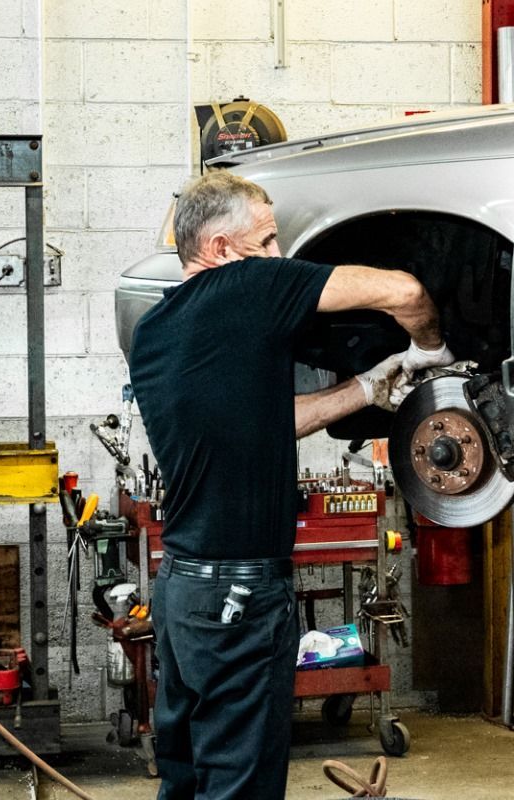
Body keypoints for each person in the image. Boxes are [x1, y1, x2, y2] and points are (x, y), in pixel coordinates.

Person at [129, 171, 454, 799]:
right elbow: (404, 289)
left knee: (187, 775)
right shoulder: (247, 284)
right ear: (222, 250)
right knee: (241, 787)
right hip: (240, 600)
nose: (281, 258)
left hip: (182, 594)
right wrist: (431, 352)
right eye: (269, 241)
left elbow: (268, 423)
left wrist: (369, 385)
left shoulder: (156, 330)